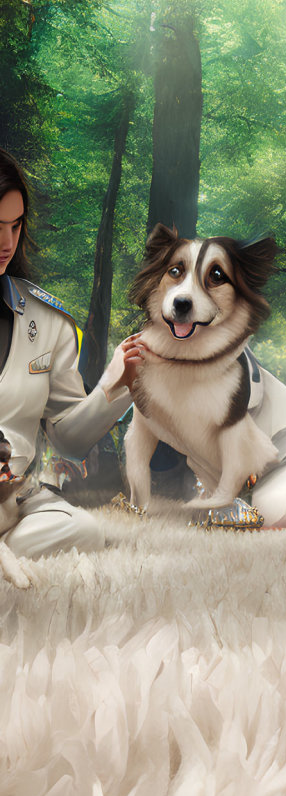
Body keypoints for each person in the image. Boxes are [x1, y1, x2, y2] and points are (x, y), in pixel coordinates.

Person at [0, 149, 141, 561]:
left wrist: (119, 385)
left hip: (13, 500)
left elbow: (68, 440)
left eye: (15, 225)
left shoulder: (48, 321)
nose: (7, 243)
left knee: (84, 530)